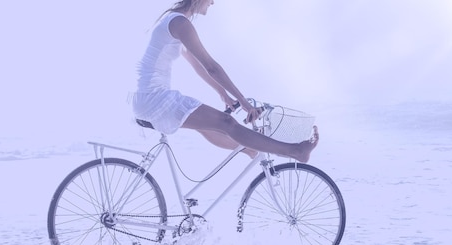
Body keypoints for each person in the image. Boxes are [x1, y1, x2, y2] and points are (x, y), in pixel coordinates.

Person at [132, 0, 319, 162]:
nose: (213, 2)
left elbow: (198, 66)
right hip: (155, 99)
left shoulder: (175, 20)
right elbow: (211, 66)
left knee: (210, 127)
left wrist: (223, 94)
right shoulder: (180, 23)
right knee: (226, 122)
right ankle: (295, 151)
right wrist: (244, 102)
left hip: (147, 99)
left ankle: (249, 147)